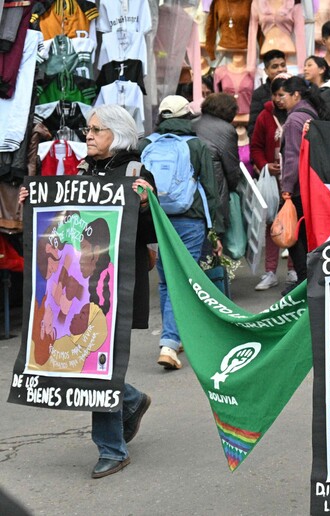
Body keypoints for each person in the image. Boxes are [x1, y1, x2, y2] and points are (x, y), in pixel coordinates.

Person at [19, 104, 156, 478]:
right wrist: (34, 206)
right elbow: (62, 227)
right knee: (91, 365)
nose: (88, 135)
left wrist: (145, 206)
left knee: (99, 367)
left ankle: (112, 448)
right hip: (75, 288)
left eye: (96, 130)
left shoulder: (136, 173)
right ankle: (130, 398)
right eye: (88, 130)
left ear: (118, 134)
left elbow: (152, 236)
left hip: (114, 288)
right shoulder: (80, 172)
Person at [140, 95, 223, 370]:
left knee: (166, 281)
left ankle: (174, 336)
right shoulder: (196, 145)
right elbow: (211, 189)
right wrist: (216, 231)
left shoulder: (146, 144)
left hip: (158, 218)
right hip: (190, 220)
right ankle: (170, 343)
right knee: (184, 280)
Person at [278, 77, 325, 293]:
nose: (280, 100)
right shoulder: (310, 113)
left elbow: (292, 157)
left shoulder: (294, 119)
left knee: (293, 235)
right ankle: (309, 279)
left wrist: (286, 187)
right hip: (311, 185)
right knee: (307, 235)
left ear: (295, 95)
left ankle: (303, 281)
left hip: (297, 188)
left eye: (283, 95)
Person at [250, 76, 296, 291]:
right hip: (272, 182)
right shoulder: (264, 116)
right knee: (272, 225)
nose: (278, 99)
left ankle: (293, 269)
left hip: (293, 180)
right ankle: (270, 272)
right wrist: (265, 165)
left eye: (282, 95)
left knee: (293, 224)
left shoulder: (297, 115)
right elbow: (256, 146)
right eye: (275, 95)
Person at [193, 93, 241, 236]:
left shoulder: (192, 123)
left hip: (191, 192)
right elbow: (232, 169)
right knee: (213, 240)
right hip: (215, 191)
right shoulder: (227, 130)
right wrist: (233, 188)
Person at [247, 49, 287, 136]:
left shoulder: (295, 88)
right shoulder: (259, 94)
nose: (280, 69)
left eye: (283, 65)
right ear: (266, 71)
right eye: (275, 67)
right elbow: (253, 127)